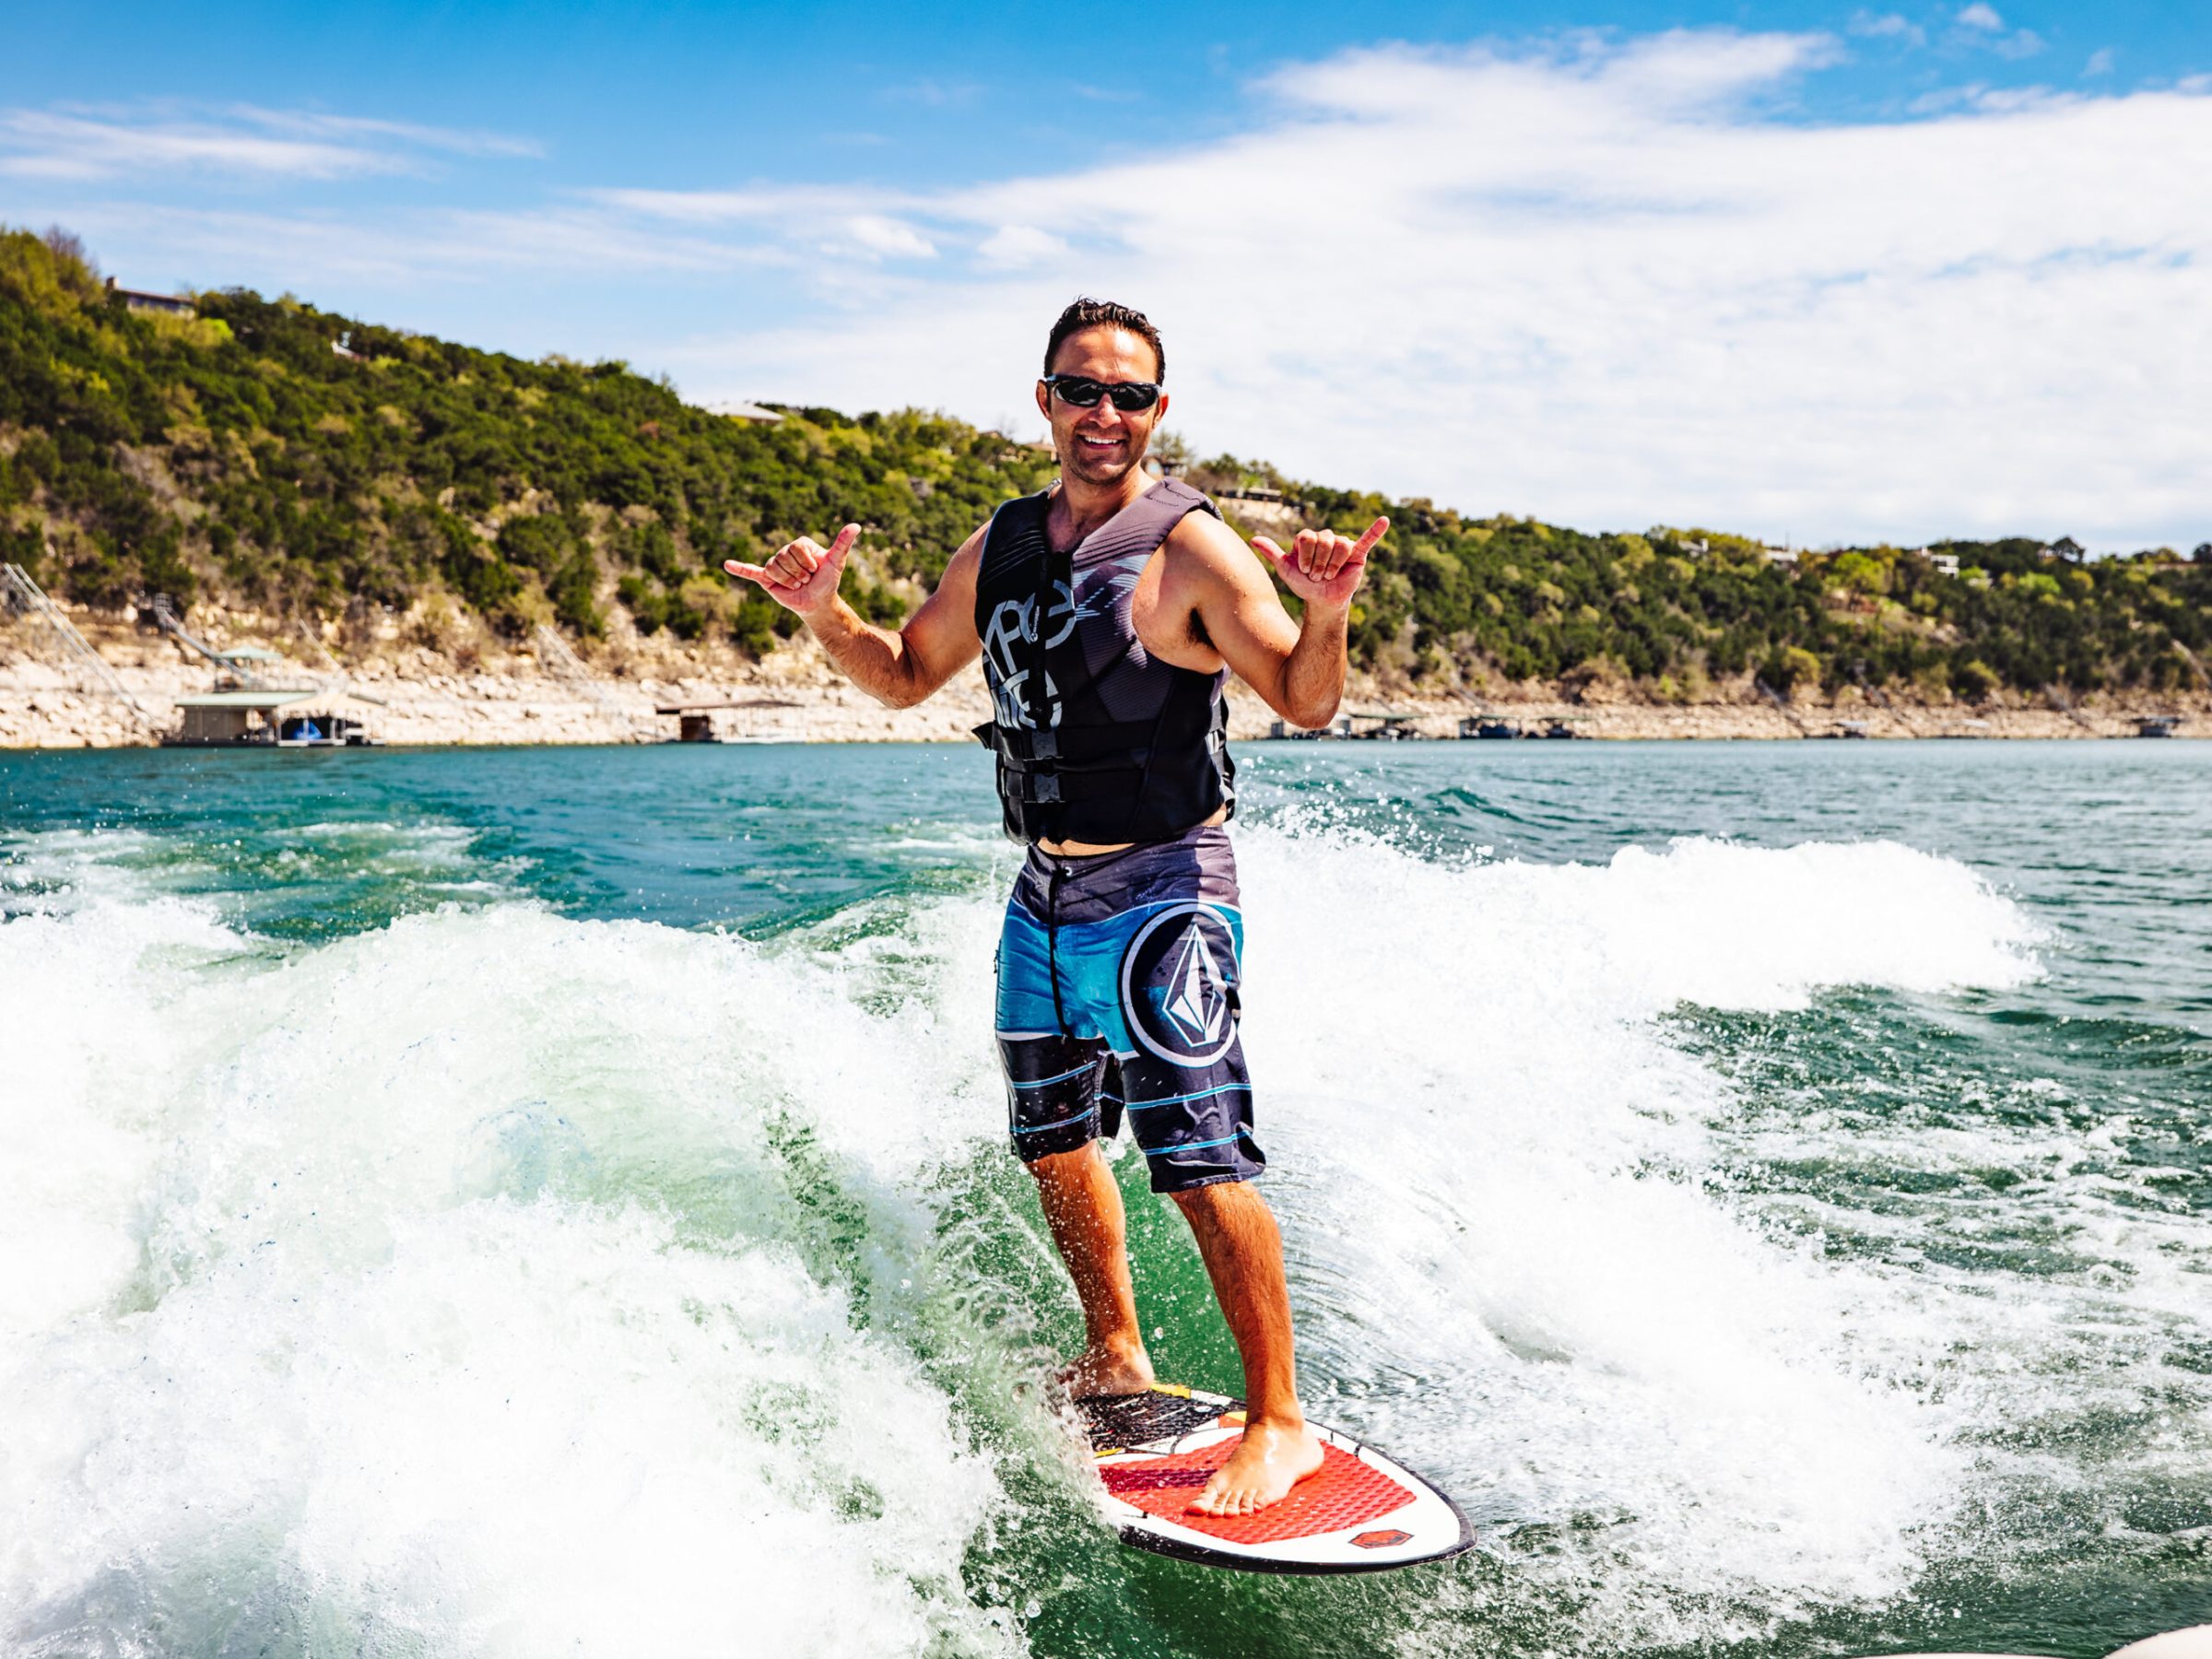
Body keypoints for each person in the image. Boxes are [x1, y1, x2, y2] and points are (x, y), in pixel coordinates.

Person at [725, 298, 1386, 1517]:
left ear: (1158, 412)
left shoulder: (1190, 547)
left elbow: (1302, 697)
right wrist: (826, 617)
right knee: (1054, 1137)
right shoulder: (1005, 545)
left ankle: (1279, 1419)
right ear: (1044, 400)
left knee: (1198, 1160)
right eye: (1082, 389)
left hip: (1165, 892)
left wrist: (1330, 612)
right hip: (1044, 889)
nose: (1104, 413)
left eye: (1129, 395)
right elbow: (907, 673)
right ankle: (1118, 1349)